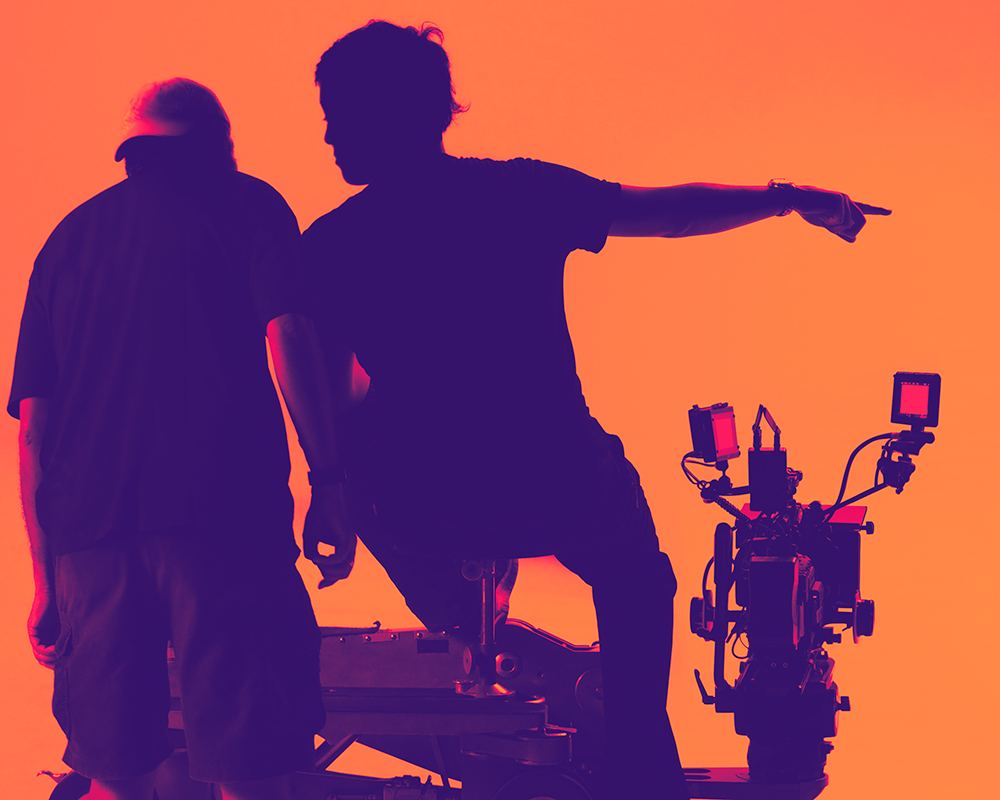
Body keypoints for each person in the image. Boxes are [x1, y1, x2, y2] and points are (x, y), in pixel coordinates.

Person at [299, 21, 889, 800]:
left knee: (360, 455)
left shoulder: (332, 244)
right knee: (636, 577)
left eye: (340, 115)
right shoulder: (519, 193)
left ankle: (461, 614)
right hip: (553, 484)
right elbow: (670, 212)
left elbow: (325, 395)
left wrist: (333, 490)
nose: (329, 136)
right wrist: (787, 199)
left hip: (426, 507)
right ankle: (639, 753)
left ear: (390, 116)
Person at [10, 78, 353, 800]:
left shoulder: (67, 240)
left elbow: (34, 429)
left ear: (132, 148)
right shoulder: (249, 204)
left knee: (115, 778)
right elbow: (288, 336)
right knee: (251, 771)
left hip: (91, 541)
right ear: (220, 146)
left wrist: (44, 582)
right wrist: (328, 481)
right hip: (222, 523)